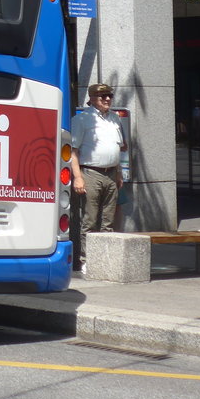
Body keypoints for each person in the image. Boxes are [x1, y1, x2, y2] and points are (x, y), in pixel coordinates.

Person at [69, 82, 127, 271]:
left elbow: (118, 148)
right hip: (91, 172)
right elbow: (73, 151)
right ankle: (87, 260)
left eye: (110, 95)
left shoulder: (115, 119)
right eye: (103, 96)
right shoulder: (82, 119)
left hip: (110, 172)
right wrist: (77, 177)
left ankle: (105, 258)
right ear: (93, 99)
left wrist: (118, 172)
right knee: (90, 219)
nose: (108, 99)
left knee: (108, 220)